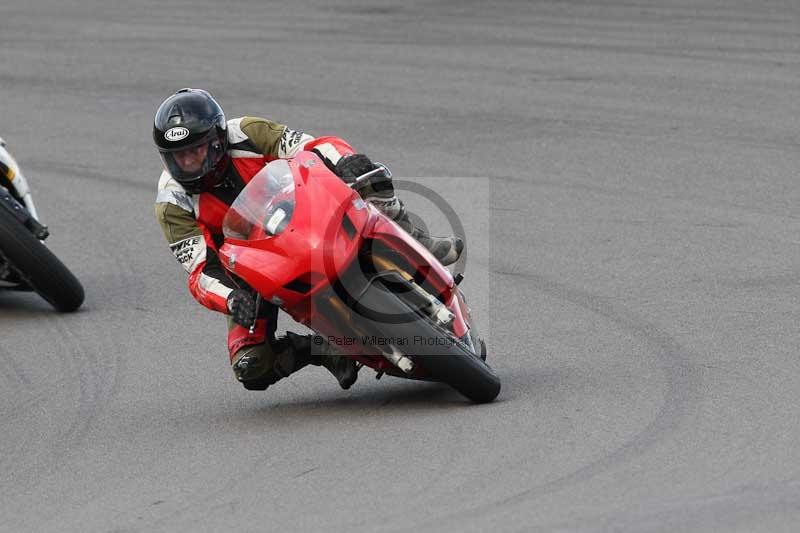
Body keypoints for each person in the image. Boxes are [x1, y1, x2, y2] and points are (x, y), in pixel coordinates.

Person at [153, 88, 463, 392]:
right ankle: (322, 348)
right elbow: (200, 271)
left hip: (304, 210)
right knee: (250, 365)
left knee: (368, 177)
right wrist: (232, 299)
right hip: (254, 266)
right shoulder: (172, 203)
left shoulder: (247, 132)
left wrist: (345, 160)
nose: (189, 163)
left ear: (218, 140)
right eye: (179, 156)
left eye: (196, 150)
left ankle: (414, 240)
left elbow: (310, 146)